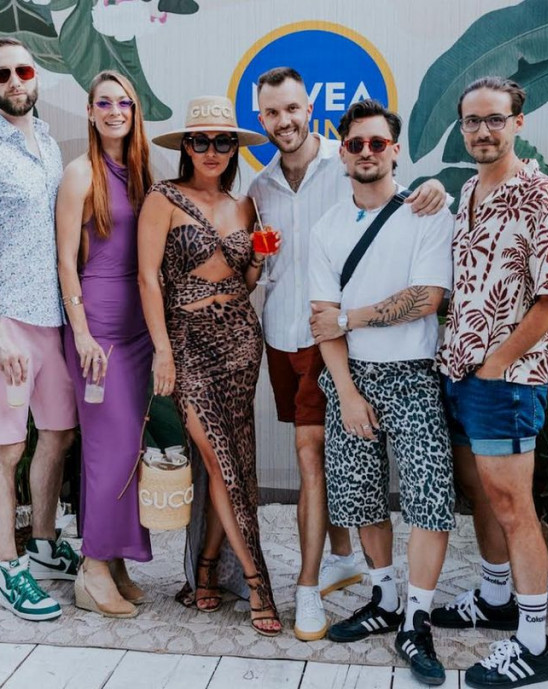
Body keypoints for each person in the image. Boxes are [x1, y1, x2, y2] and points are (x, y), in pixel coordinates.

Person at [247, 67, 449, 641]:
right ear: (261, 119)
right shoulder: (259, 187)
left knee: (320, 461)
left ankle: (315, 589)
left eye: (292, 108)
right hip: (288, 336)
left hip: (345, 344)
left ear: (309, 109)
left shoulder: (354, 174)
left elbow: (420, 265)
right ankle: (349, 564)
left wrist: (436, 187)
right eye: (272, 112)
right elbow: (266, 274)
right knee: (336, 470)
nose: (284, 120)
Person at [432, 77, 548, 688]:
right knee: (482, 493)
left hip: (506, 380)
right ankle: (495, 598)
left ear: (518, 121)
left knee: (515, 507)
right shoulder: (469, 190)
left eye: (495, 119)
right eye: (472, 121)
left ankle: (533, 644)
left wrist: (496, 364)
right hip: (460, 372)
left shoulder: (543, 197)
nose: (483, 131)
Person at [307, 98, 455, 685]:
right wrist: (346, 392)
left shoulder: (426, 211)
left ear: (395, 150)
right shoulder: (326, 229)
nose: (366, 152)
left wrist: (352, 316)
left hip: (414, 374)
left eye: (377, 143)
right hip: (352, 377)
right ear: (343, 153)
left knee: (429, 498)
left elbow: (426, 298)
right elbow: (322, 321)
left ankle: (417, 619)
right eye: (355, 144)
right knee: (360, 497)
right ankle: (385, 598)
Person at [138, 96, 283, 636]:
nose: (212, 150)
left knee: (236, 461)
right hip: (189, 344)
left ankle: (206, 568)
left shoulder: (245, 205)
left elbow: (245, 282)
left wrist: (258, 260)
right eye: (201, 141)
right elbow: (148, 279)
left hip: (242, 341)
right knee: (221, 461)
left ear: (234, 148)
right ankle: (257, 582)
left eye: (223, 141)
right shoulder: (163, 198)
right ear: (186, 146)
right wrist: (162, 350)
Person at [0, 37, 78, 622]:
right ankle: (10, 569)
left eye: (23, 70)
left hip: (52, 319)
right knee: (6, 447)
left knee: (58, 434)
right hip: (7, 323)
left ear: (36, 76)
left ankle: (45, 546)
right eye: (1, 74)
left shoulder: (48, 143)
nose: (15, 81)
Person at [55, 70, 154, 619]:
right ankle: (92, 570)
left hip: (138, 331)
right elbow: (65, 261)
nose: (115, 111)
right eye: (105, 103)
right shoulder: (79, 174)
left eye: (124, 103)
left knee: (127, 450)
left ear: (134, 112)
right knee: (107, 451)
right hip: (98, 331)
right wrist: (82, 333)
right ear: (90, 113)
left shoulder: (140, 172)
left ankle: (114, 560)